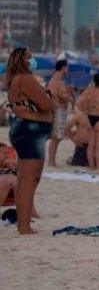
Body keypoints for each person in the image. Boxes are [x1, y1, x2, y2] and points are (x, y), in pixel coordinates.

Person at [5, 48, 54, 234]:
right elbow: (46, 105)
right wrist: (50, 99)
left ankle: (23, 224)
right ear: (22, 60)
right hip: (31, 131)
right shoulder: (26, 79)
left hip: (23, 129)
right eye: (30, 58)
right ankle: (24, 226)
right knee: (30, 180)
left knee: (23, 180)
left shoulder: (14, 81)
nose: (33, 60)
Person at [45, 59, 72, 167]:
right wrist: (67, 97)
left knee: (57, 137)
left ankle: (52, 161)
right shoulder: (56, 80)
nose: (68, 69)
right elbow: (54, 95)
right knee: (56, 138)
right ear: (63, 68)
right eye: (67, 67)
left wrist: (66, 93)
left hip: (60, 111)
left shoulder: (59, 80)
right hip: (58, 111)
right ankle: (51, 161)